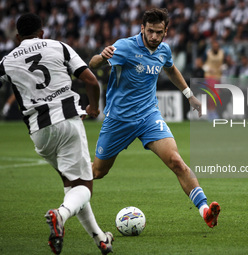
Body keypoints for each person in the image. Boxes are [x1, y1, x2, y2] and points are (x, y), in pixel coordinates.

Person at [89, 8, 220, 228]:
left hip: (149, 116)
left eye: (159, 32)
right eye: (150, 31)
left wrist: (190, 96)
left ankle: (205, 211)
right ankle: (69, 195)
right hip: (119, 120)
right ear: (142, 28)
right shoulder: (124, 46)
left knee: (177, 162)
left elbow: (171, 69)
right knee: (98, 172)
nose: (154, 37)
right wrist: (102, 57)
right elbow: (92, 65)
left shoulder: (163, 50)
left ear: (165, 31)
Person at [0, 13, 113, 254]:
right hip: (67, 121)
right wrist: (93, 107)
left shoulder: (7, 61)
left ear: (18, 37)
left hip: (38, 132)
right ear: (42, 32)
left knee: (71, 185)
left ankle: (101, 239)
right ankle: (59, 215)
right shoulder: (59, 47)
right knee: (85, 186)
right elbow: (91, 81)